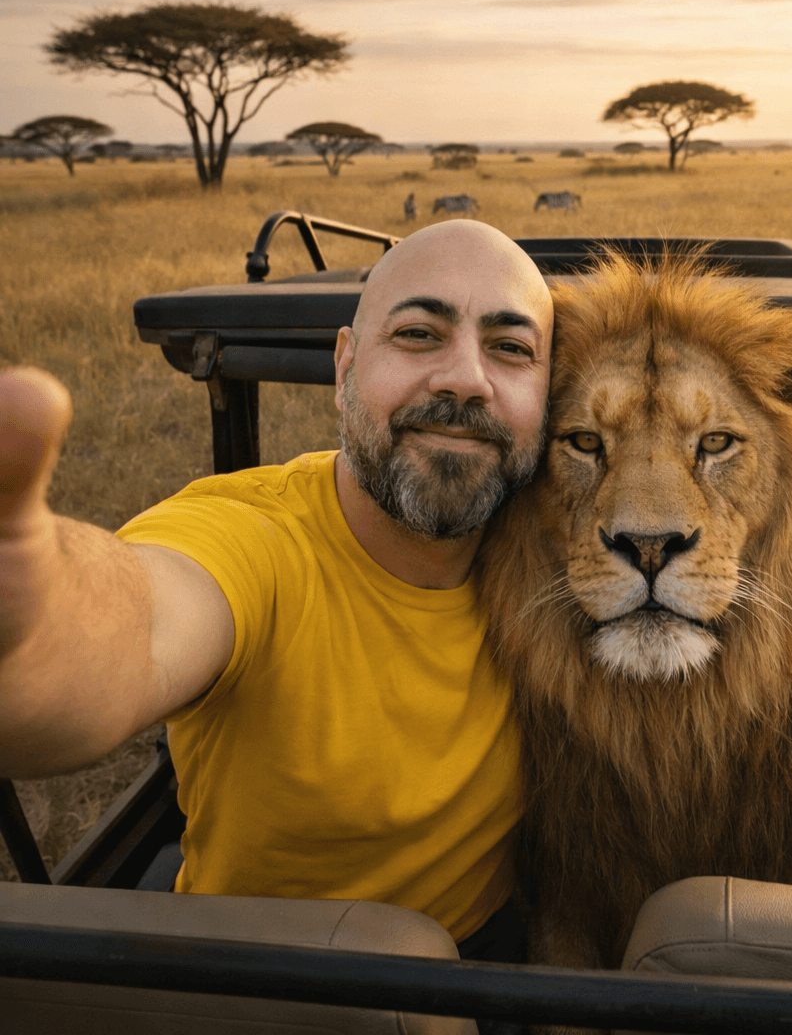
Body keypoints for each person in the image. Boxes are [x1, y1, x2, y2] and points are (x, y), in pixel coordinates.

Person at [0, 220, 553, 967]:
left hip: (498, 952)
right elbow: (140, 621)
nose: (466, 377)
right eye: (420, 333)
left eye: (511, 348)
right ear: (345, 366)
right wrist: (37, 626)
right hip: (273, 985)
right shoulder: (254, 538)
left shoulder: (569, 553)